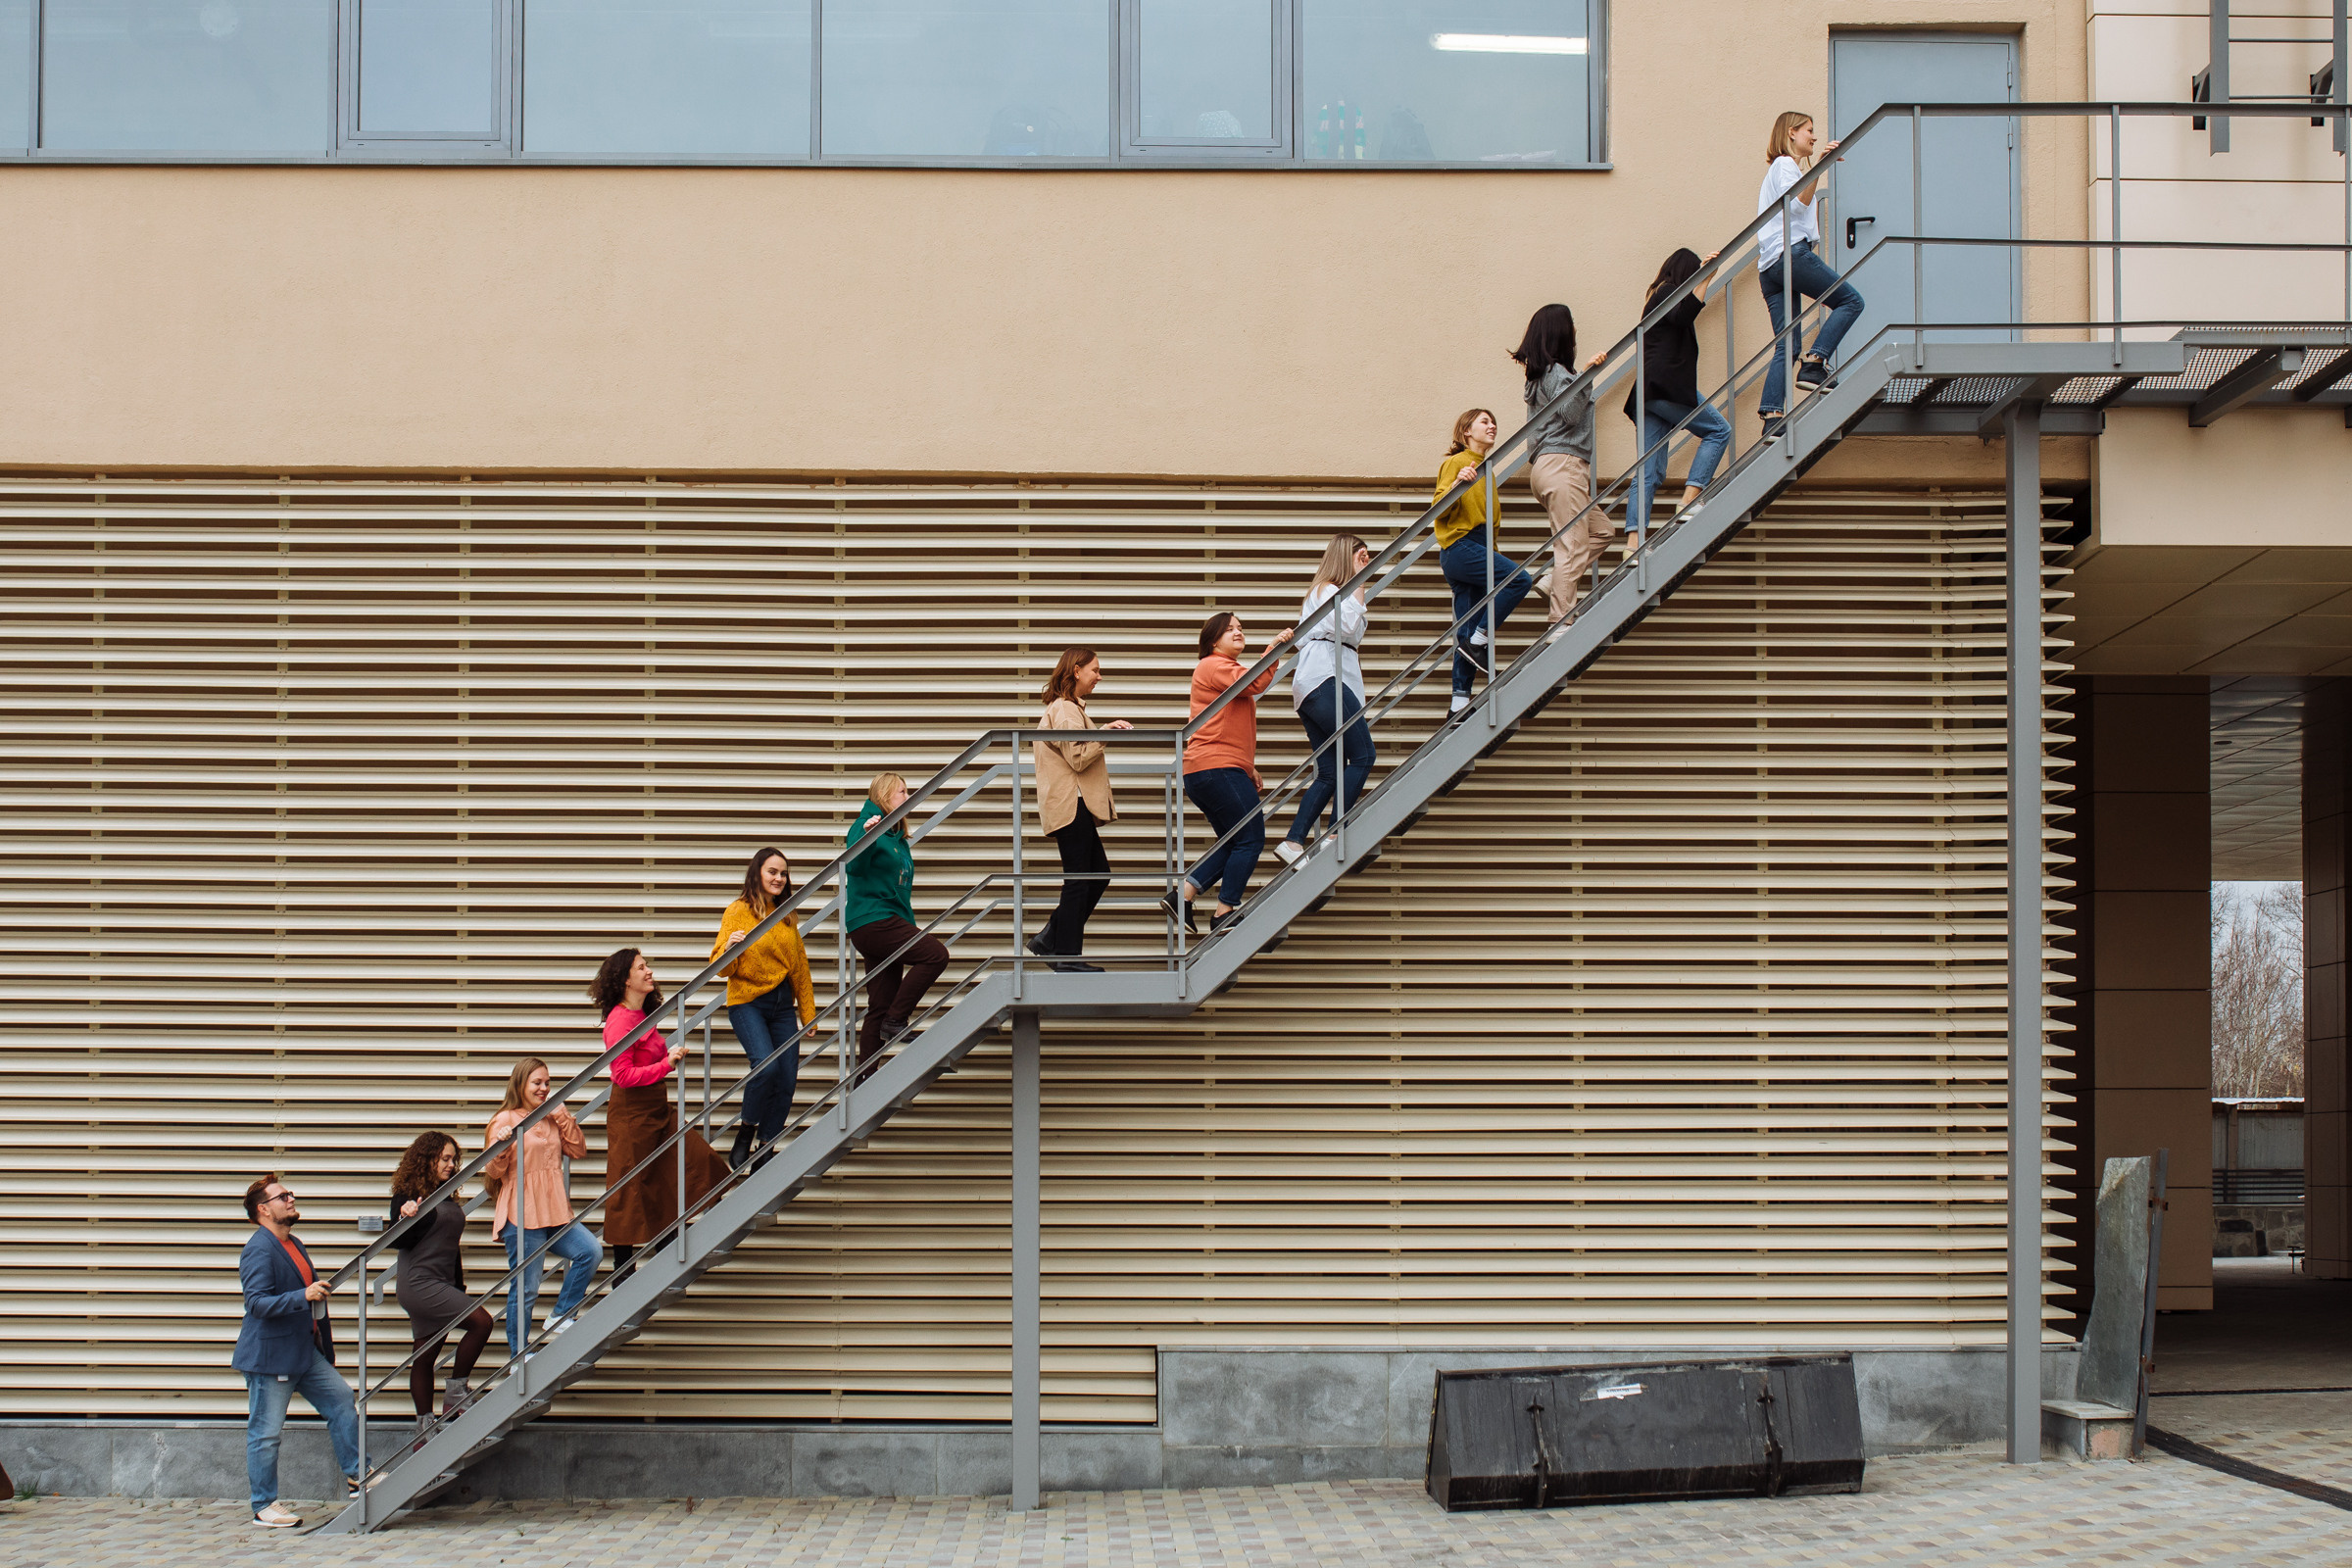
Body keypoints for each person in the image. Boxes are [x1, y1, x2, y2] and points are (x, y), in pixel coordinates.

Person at [233, 1173, 360, 1529]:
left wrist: (326, 1348)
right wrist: (301, 1296)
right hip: (270, 1357)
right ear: (263, 1209)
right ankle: (264, 1505)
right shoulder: (258, 1248)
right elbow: (256, 1303)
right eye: (282, 1196)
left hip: (305, 1352)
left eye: (290, 1194)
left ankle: (356, 1476)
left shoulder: (294, 1242)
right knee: (267, 1432)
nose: (290, 1199)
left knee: (340, 1399)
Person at [593, 949, 731, 1269]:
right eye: (642, 967)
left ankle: (671, 1245)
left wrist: (664, 1057)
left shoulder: (641, 1016)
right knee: (630, 1192)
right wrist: (666, 1065)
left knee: (695, 1161)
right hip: (633, 1114)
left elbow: (644, 1059)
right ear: (626, 979)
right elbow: (623, 1075)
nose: (649, 971)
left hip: (656, 1107)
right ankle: (623, 1275)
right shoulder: (619, 1020)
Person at [1166, 612, 1292, 934]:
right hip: (1215, 766)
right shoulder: (1213, 665)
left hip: (1211, 767)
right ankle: (1225, 912)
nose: (1238, 632)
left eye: (1240, 628)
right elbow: (1257, 682)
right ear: (1213, 640)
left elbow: (1225, 725)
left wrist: (1247, 767)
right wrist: (1274, 649)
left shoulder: (1225, 670)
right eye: (1230, 629)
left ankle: (1184, 895)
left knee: (1235, 839)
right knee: (1251, 837)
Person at [1755, 110, 1863, 436]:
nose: (1814, 137)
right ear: (1791, 133)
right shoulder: (1785, 165)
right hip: (1789, 255)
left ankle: (1772, 418)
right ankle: (1815, 364)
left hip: (1770, 266)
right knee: (1851, 301)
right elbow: (1799, 205)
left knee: (1786, 344)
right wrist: (1821, 167)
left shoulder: (1780, 170)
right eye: (1809, 131)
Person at [483, 1058, 600, 1357]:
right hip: (522, 1213)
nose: (544, 1088)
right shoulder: (505, 1119)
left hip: (555, 1210)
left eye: (547, 1082)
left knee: (590, 1251)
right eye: (537, 1082)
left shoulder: (551, 1116)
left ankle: (561, 1315)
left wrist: (562, 1115)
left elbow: (578, 1150)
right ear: (520, 1084)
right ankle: (518, 1358)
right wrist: (502, 1146)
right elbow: (493, 1173)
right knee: (527, 1289)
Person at [712, 847, 818, 1168]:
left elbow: (799, 965)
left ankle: (765, 1148)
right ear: (757, 872)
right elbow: (720, 967)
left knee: (786, 1079)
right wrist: (730, 949)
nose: (778, 878)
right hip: (748, 1003)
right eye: (772, 871)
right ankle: (747, 1130)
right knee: (766, 1067)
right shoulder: (737, 911)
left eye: (783, 873)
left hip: (783, 1006)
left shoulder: (786, 915)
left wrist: (808, 1013)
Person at [1509, 307, 1615, 623]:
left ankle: (1554, 579)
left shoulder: (1539, 378)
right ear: (1560, 333)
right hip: (1563, 464)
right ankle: (1561, 620)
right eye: (1571, 326)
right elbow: (1570, 414)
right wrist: (1586, 377)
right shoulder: (1557, 373)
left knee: (1602, 531)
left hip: (1546, 468)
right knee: (1571, 546)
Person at [1031, 647, 1134, 972]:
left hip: (1072, 803)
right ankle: (1066, 955)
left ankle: (1051, 939)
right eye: (1095, 670)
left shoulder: (1068, 708)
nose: (1099, 677)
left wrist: (1100, 731)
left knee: (1097, 874)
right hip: (1070, 802)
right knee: (1080, 879)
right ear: (1076, 671)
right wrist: (1103, 735)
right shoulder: (1064, 709)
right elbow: (1077, 757)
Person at [1276, 535, 1375, 867]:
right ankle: (1335, 832)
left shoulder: (1338, 594)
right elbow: (1348, 624)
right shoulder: (1326, 590)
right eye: (1359, 557)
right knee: (1363, 754)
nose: (1365, 561)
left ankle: (1293, 841)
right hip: (1325, 679)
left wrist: (1358, 586)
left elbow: (1353, 633)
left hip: (1319, 683)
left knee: (1331, 772)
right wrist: (1361, 578)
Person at [1624, 247, 1734, 539]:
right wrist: (1706, 278)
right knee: (1719, 430)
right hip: (1665, 386)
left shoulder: (1657, 296)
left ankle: (1634, 544)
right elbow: (1684, 316)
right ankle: (1689, 500)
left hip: (1650, 391)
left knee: (1650, 471)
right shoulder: (1666, 292)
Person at [387, 1131, 493, 1425]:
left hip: (442, 1282)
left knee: (425, 1353)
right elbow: (398, 1240)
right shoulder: (407, 1196)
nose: (450, 1165)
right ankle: (456, 1393)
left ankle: (424, 1429)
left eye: (453, 1160)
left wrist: (457, 1285)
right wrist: (405, 1216)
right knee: (482, 1322)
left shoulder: (446, 1193)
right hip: (419, 1282)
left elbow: (450, 1246)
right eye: (444, 1159)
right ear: (427, 1159)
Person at [1432, 409, 1533, 715]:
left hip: (1476, 547)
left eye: (1493, 421)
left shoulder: (1486, 469)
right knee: (1520, 579)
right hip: (1461, 546)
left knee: (1466, 627)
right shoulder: (1457, 462)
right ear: (1466, 432)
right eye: (1484, 422)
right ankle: (1480, 639)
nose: (1492, 426)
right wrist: (1454, 486)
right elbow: (1437, 508)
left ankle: (1458, 704)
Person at [846, 772, 951, 1058]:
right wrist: (866, 835)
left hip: (888, 921)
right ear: (883, 796)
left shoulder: (898, 838)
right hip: (873, 920)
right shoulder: (867, 826)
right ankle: (896, 1021)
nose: (908, 797)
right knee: (936, 955)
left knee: (879, 1006)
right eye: (902, 792)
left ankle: (863, 1084)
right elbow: (853, 866)